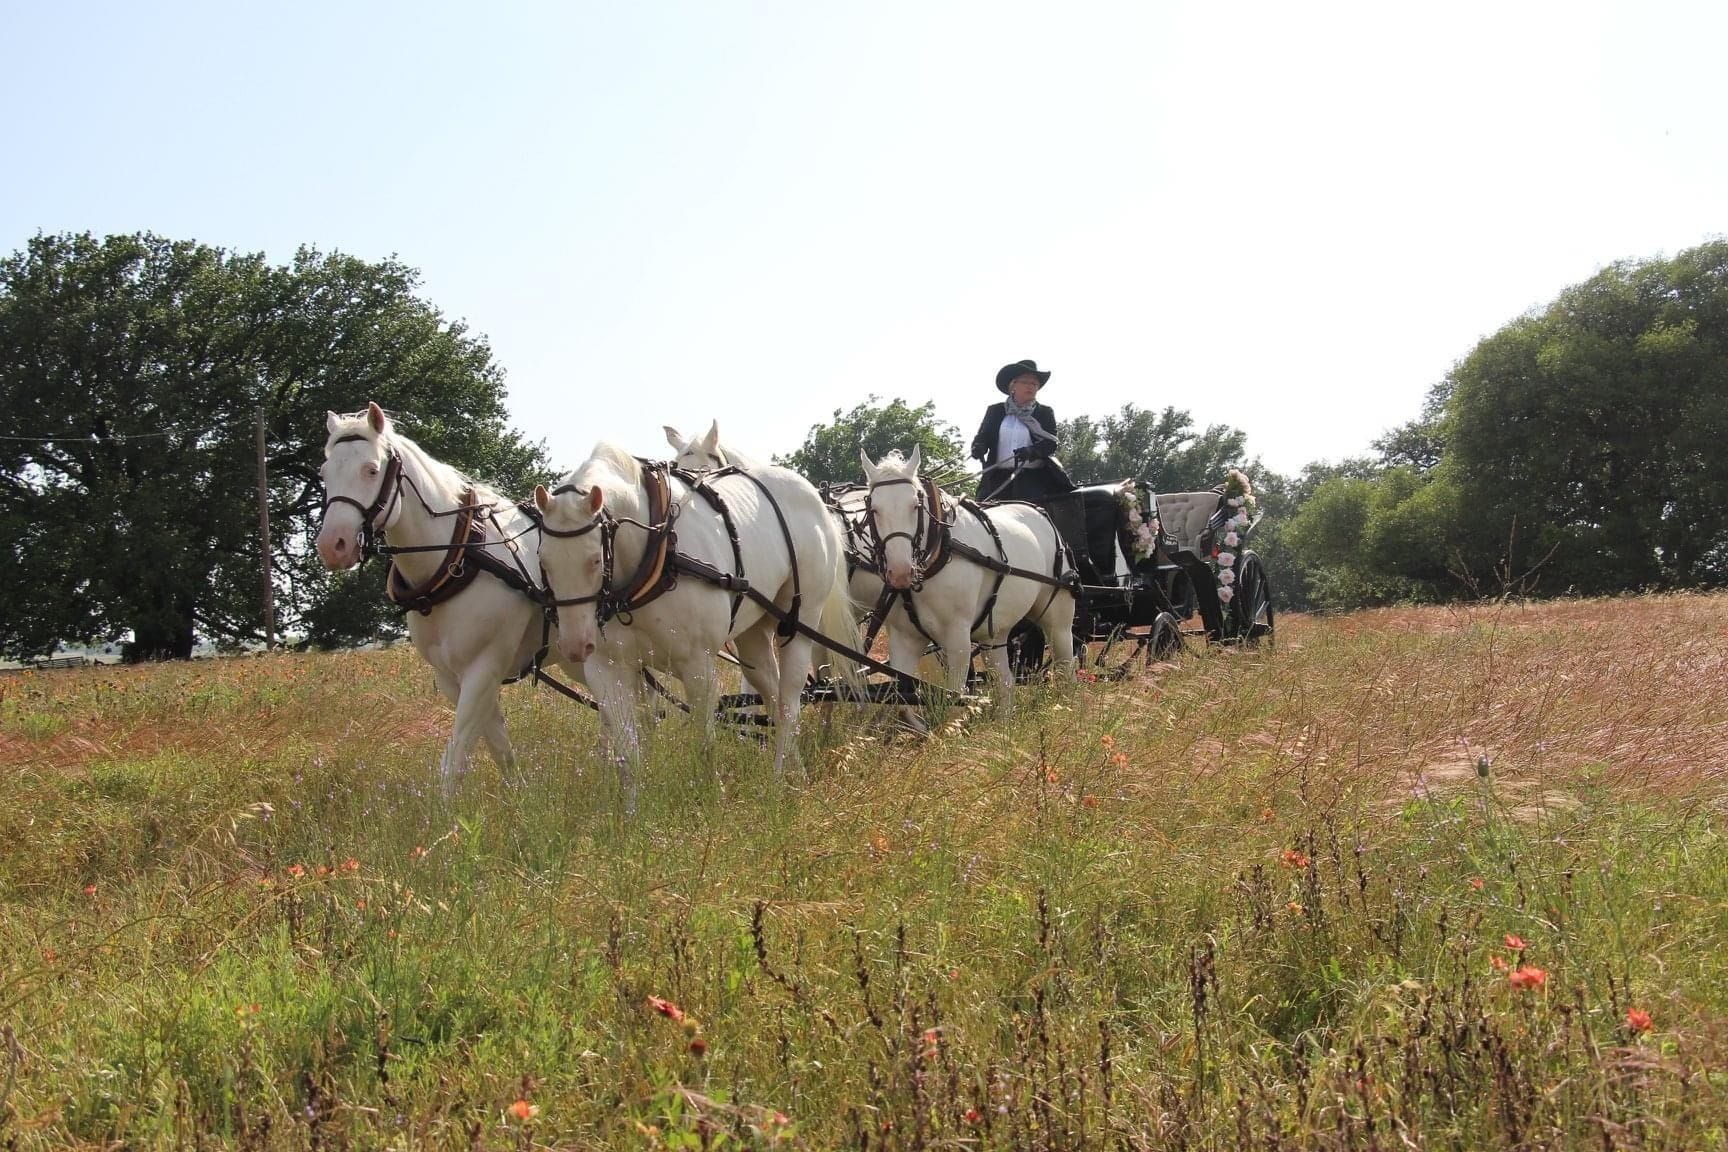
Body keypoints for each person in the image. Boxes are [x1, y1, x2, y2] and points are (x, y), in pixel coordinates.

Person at [971, 359, 1074, 502]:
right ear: (1012, 386)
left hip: (1032, 481)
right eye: (1025, 382)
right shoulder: (995, 411)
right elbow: (983, 437)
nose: (1031, 386)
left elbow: (1051, 443)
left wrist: (1032, 451)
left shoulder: (1044, 412)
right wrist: (978, 447)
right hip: (996, 480)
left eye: (1035, 384)